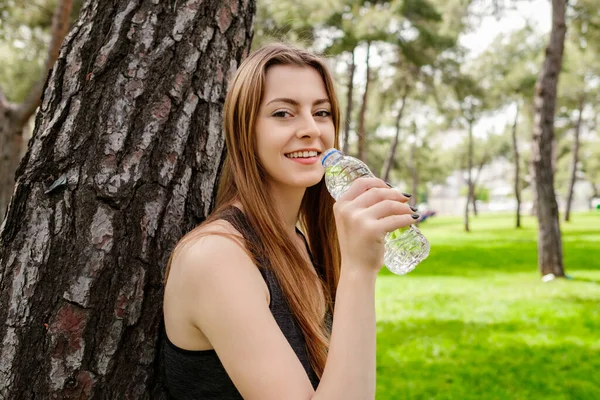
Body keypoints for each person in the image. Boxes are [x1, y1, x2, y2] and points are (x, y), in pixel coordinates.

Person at [162, 43, 418, 400]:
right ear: (244, 131)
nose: (311, 129)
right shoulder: (214, 257)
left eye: (322, 112)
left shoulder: (299, 243)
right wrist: (359, 272)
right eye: (283, 113)